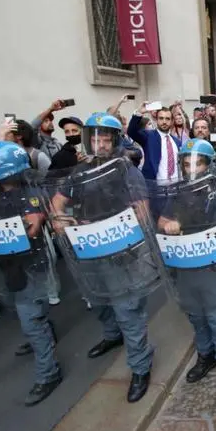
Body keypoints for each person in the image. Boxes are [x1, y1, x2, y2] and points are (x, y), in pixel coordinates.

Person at [49, 113, 155, 402]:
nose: (99, 143)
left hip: (122, 252)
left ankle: (141, 366)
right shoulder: (81, 171)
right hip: (89, 250)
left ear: (115, 139)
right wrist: (62, 220)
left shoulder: (126, 170)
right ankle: (111, 335)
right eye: (94, 137)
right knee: (99, 300)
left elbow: (142, 213)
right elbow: (58, 203)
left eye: (105, 137)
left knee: (128, 310)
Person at [0, 141, 62, 405]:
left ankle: (48, 374)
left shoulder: (31, 193)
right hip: (8, 266)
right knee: (23, 312)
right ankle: (46, 332)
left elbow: (31, 229)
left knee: (30, 320)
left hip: (29, 264)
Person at [158, 139, 216, 405]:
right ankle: (206, 356)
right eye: (186, 164)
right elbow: (162, 220)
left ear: (207, 165)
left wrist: (187, 228)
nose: (191, 168)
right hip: (185, 266)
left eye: (196, 163)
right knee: (196, 316)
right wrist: (170, 223)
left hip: (212, 266)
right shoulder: (178, 191)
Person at [128, 103, 181, 184]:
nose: (164, 122)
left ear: (172, 121)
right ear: (156, 120)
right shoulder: (149, 136)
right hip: (155, 189)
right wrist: (139, 113)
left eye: (167, 119)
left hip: (175, 189)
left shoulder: (177, 142)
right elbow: (131, 131)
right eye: (161, 118)